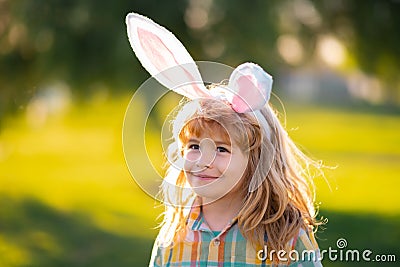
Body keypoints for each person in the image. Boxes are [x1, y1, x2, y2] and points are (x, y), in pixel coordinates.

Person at [126, 12, 324, 266]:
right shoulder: (172, 238)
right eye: (195, 146)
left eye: (221, 149)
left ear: (256, 159)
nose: (204, 161)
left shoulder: (287, 238)